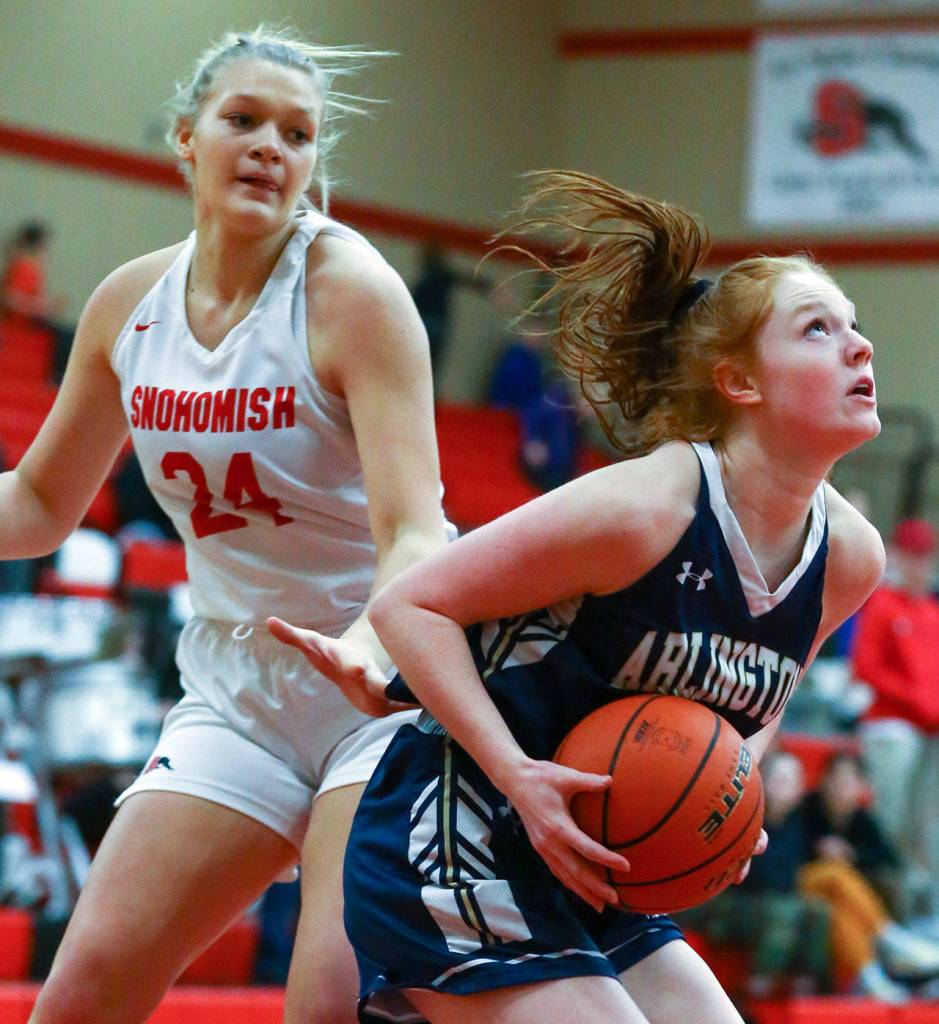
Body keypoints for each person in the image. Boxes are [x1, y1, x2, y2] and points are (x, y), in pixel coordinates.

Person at [272, 171, 886, 1023]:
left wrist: (729, 794)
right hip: (461, 833)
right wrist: (518, 775)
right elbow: (409, 607)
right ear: (739, 383)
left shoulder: (849, 556)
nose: (859, 347)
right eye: (817, 328)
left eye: (852, 325)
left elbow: (759, 699)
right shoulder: (648, 508)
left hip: (593, 866)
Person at [10, 27, 450, 1024]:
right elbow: (38, 504)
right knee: (82, 991)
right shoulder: (130, 305)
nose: (268, 147)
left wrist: (368, 644)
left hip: (383, 690)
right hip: (237, 688)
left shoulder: (354, 295)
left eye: (296, 133)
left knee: (327, 1001)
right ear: (186, 138)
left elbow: (417, 533)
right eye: (243, 120)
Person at [852, 517, 939, 914]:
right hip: (893, 723)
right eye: (912, 556)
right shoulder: (883, 604)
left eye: (924, 557)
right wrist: (917, 700)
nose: (919, 565)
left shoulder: (932, 612)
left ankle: (923, 908)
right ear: (898, 556)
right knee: (891, 817)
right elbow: (866, 668)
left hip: (929, 727)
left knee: (927, 822)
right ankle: (887, 906)